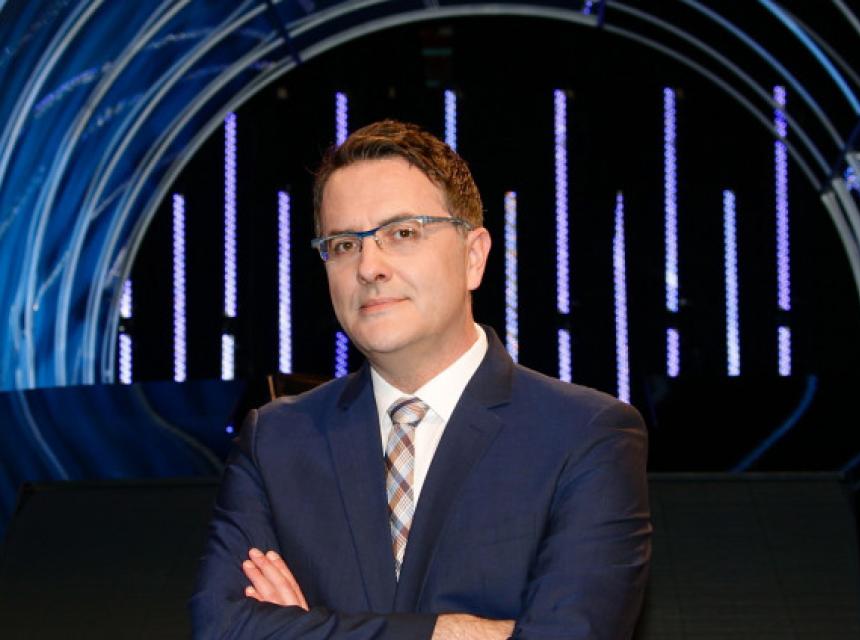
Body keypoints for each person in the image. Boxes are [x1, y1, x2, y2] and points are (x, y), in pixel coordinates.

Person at [190, 119, 651, 639]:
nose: (369, 267)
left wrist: (304, 630)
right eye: (343, 244)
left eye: (402, 233)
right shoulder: (275, 441)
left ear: (473, 256)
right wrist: (448, 632)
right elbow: (224, 628)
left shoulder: (585, 434)